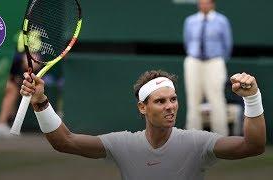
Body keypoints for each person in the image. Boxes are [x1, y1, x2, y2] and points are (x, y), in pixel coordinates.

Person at [20, 69, 265, 180]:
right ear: (142, 107)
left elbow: (252, 146)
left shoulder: (197, 142)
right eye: (160, 101)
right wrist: (41, 102)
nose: (170, 106)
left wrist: (252, 98)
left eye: (173, 99)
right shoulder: (123, 143)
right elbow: (65, 142)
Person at [183, 0, 233, 135]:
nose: (204, 5)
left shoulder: (222, 21)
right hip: (194, 61)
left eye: (207, 2)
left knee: (216, 98)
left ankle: (221, 137)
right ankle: (192, 137)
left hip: (214, 62)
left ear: (212, 4)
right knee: (193, 99)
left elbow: (227, 44)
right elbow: (187, 42)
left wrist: (218, 58)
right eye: (201, 2)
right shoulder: (190, 21)